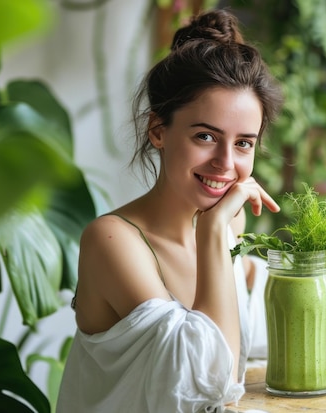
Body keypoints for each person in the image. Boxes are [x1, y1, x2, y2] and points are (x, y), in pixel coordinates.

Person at [57, 8, 283, 412]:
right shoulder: (113, 240)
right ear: (158, 131)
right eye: (205, 136)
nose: (226, 163)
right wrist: (213, 231)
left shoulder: (233, 221)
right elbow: (209, 384)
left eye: (244, 143)